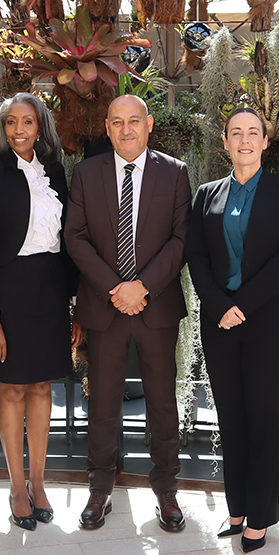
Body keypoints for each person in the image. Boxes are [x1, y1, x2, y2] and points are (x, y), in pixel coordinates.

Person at [65, 94, 192, 532]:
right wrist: (116, 288)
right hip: (105, 308)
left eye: (134, 121)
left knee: (162, 403)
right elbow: (75, 237)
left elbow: (181, 238)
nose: (126, 130)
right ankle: (99, 489)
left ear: (148, 124)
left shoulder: (174, 172)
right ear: (106, 127)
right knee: (102, 403)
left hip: (156, 307)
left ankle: (167, 489)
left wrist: (143, 286)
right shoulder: (86, 173)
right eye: (117, 122)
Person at [0, 93, 84, 530]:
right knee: (12, 389)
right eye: (11, 122)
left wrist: (74, 304)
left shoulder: (55, 171)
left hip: (49, 292)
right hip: (7, 294)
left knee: (42, 386)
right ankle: (16, 487)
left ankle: (39, 483)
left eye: (27, 122)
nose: (18, 130)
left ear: (40, 126)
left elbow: (68, 242)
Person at [185, 108, 279, 553]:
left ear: (265, 141)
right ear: (225, 142)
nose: (245, 140)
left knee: (263, 419)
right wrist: (221, 306)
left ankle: (260, 516)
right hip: (219, 322)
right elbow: (196, 256)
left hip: (266, 321)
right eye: (236, 133)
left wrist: (242, 306)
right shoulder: (207, 194)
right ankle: (235, 509)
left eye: (253, 132)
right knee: (230, 418)